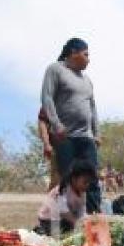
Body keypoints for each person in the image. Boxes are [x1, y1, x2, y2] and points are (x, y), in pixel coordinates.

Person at [41, 37, 101, 213]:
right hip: (64, 137)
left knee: (92, 178)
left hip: (86, 137)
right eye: (86, 54)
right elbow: (47, 98)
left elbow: (93, 108)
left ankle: (94, 218)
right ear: (73, 52)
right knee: (68, 180)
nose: (89, 59)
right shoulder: (55, 69)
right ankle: (67, 222)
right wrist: (57, 125)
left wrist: (97, 132)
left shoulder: (87, 80)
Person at [36, 159, 96, 234]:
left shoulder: (82, 193)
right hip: (49, 218)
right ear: (74, 179)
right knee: (57, 233)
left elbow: (82, 210)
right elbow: (63, 211)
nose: (87, 185)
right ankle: (40, 230)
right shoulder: (63, 190)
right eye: (85, 182)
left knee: (70, 229)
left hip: (65, 219)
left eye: (89, 183)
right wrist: (75, 221)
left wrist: (85, 220)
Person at [37, 108, 60, 190]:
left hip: (79, 142)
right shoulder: (50, 99)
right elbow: (42, 121)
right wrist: (46, 144)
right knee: (57, 179)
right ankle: (53, 201)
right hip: (57, 145)